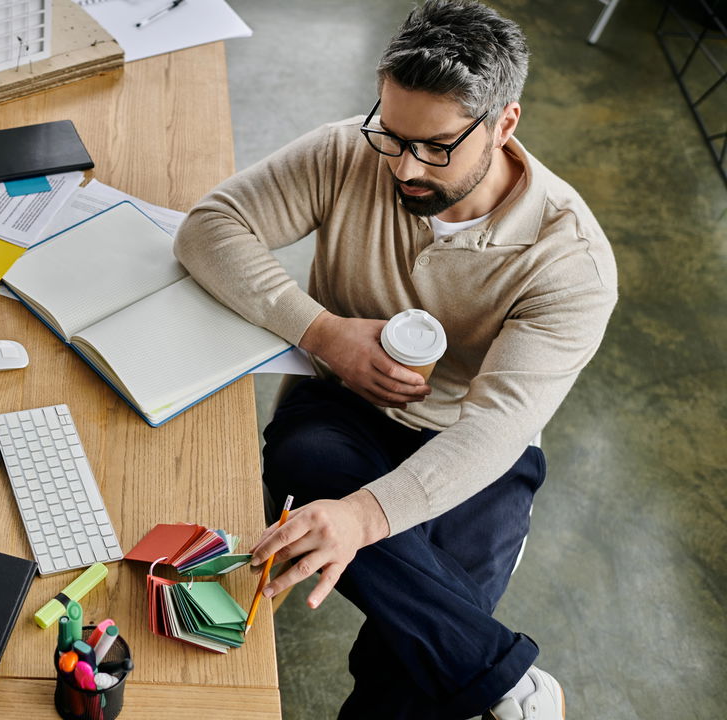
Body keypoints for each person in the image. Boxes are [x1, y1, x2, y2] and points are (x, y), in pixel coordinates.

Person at [173, 2, 617, 718]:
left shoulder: (571, 265)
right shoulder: (350, 151)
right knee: (311, 470)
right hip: (342, 407)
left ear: (504, 125)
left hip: (469, 439)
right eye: (392, 133)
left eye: (437, 146)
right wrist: (321, 332)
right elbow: (209, 228)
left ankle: (479, 667)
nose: (405, 167)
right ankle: (506, 681)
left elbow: (494, 431)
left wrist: (362, 519)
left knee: (407, 654)